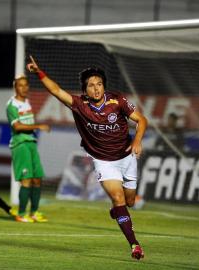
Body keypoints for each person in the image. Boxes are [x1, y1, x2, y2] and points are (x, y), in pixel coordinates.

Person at [26, 56, 148, 260]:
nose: (96, 88)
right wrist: (39, 72)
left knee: (129, 202)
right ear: (85, 90)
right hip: (103, 161)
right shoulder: (79, 104)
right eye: (91, 85)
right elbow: (55, 90)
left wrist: (137, 141)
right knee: (118, 199)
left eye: (99, 84)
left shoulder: (117, 100)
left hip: (127, 157)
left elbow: (141, 120)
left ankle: (118, 212)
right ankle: (134, 245)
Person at [6, 75, 50, 223]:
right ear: (15, 87)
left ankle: (34, 212)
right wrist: (39, 126)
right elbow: (17, 127)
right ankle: (21, 213)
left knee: (37, 179)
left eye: (26, 85)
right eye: (21, 85)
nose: (24, 88)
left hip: (31, 142)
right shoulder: (11, 105)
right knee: (26, 180)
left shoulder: (27, 103)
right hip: (20, 144)